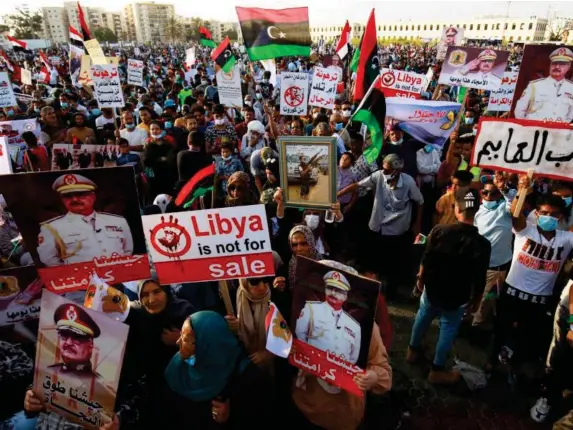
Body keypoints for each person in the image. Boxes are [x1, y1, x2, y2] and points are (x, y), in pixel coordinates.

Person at [408, 188, 491, 384]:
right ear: (477, 210)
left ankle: (411, 351)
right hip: (458, 296)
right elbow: (480, 277)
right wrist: (476, 300)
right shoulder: (482, 244)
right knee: (447, 329)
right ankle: (436, 370)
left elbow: (426, 261)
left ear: (455, 208)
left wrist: (420, 282)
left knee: (422, 317)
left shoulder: (440, 231)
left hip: (432, 289)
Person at [162, 311, 273, 428]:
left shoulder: (251, 379)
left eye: (185, 339)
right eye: (181, 336)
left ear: (207, 345)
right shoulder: (178, 367)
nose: (177, 342)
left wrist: (228, 418)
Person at [37, 174, 134, 266]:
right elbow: (49, 259)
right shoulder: (52, 228)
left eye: (80, 194)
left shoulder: (117, 221)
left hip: (119, 275)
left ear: (93, 196)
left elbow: (127, 250)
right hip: (81, 280)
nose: (74, 199)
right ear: (62, 200)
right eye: (68, 196)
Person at [295, 270, 362, 371]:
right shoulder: (311, 309)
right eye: (330, 288)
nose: (333, 293)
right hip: (311, 369)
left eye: (338, 290)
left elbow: (353, 358)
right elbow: (300, 336)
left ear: (346, 296)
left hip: (337, 377)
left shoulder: (354, 326)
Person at [514, 47, 573, 122]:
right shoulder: (535, 86)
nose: (557, 67)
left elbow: (570, 116)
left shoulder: (571, 88)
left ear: (569, 66)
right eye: (554, 63)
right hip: (534, 131)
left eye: (562, 64)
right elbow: (519, 111)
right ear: (550, 65)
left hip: (557, 132)